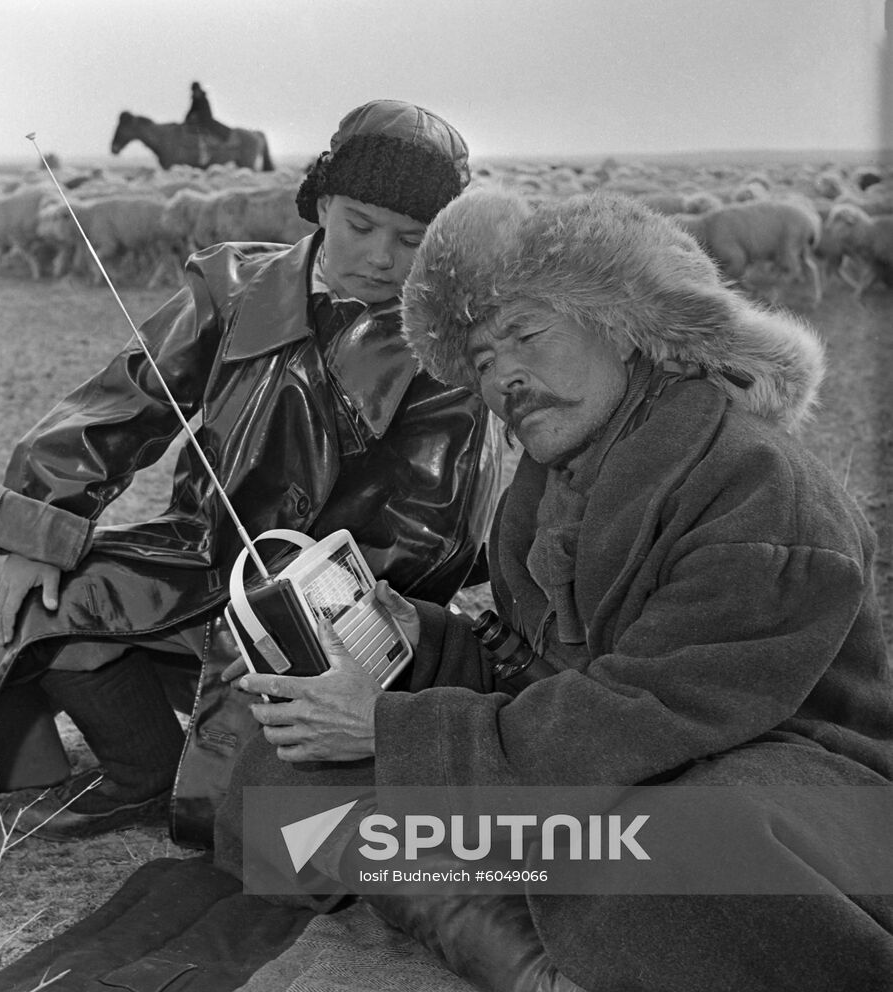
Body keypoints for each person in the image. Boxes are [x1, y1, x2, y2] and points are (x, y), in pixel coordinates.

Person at [221, 188, 893, 991]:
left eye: (524, 334)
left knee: (688, 835)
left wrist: (389, 731)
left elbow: (650, 710)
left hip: (783, 784)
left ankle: (519, 941)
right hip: (598, 765)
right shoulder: (551, 483)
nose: (504, 376)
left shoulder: (758, 485)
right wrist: (414, 638)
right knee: (278, 778)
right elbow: (539, 669)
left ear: (630, 325)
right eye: (479, 361)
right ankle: (512, 924)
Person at [0, 100, 498, 844]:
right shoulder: (235, 288)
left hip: (340, 602)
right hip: (199, 555)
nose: (381, 257)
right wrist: (39, 522)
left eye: (412, 239)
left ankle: (226, 771)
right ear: (321, 203)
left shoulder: (443, 349)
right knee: (44, 607)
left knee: (252, 821)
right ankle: (140, 768)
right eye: (360, 224)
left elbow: (428, 526)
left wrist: (308, 615)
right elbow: (126, 398)